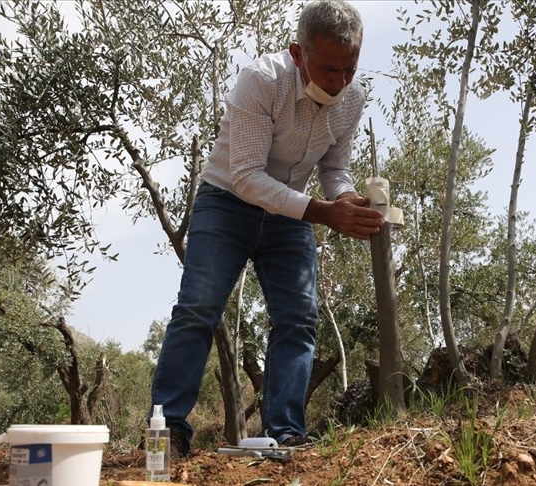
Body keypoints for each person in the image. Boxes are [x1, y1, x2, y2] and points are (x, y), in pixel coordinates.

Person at [149, 0, 384, 459]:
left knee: (299, 318)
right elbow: (248, 176)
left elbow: (335, 169)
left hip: (291, 213)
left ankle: (285, 433)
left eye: (349, 69)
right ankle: (169, 431)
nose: (338, 82)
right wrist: (323, 212)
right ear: (298, 54)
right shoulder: (262, 80)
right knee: (198, 308)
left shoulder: (351, 99)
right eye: (328, 69)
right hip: (227, 203)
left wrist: (345, 198)